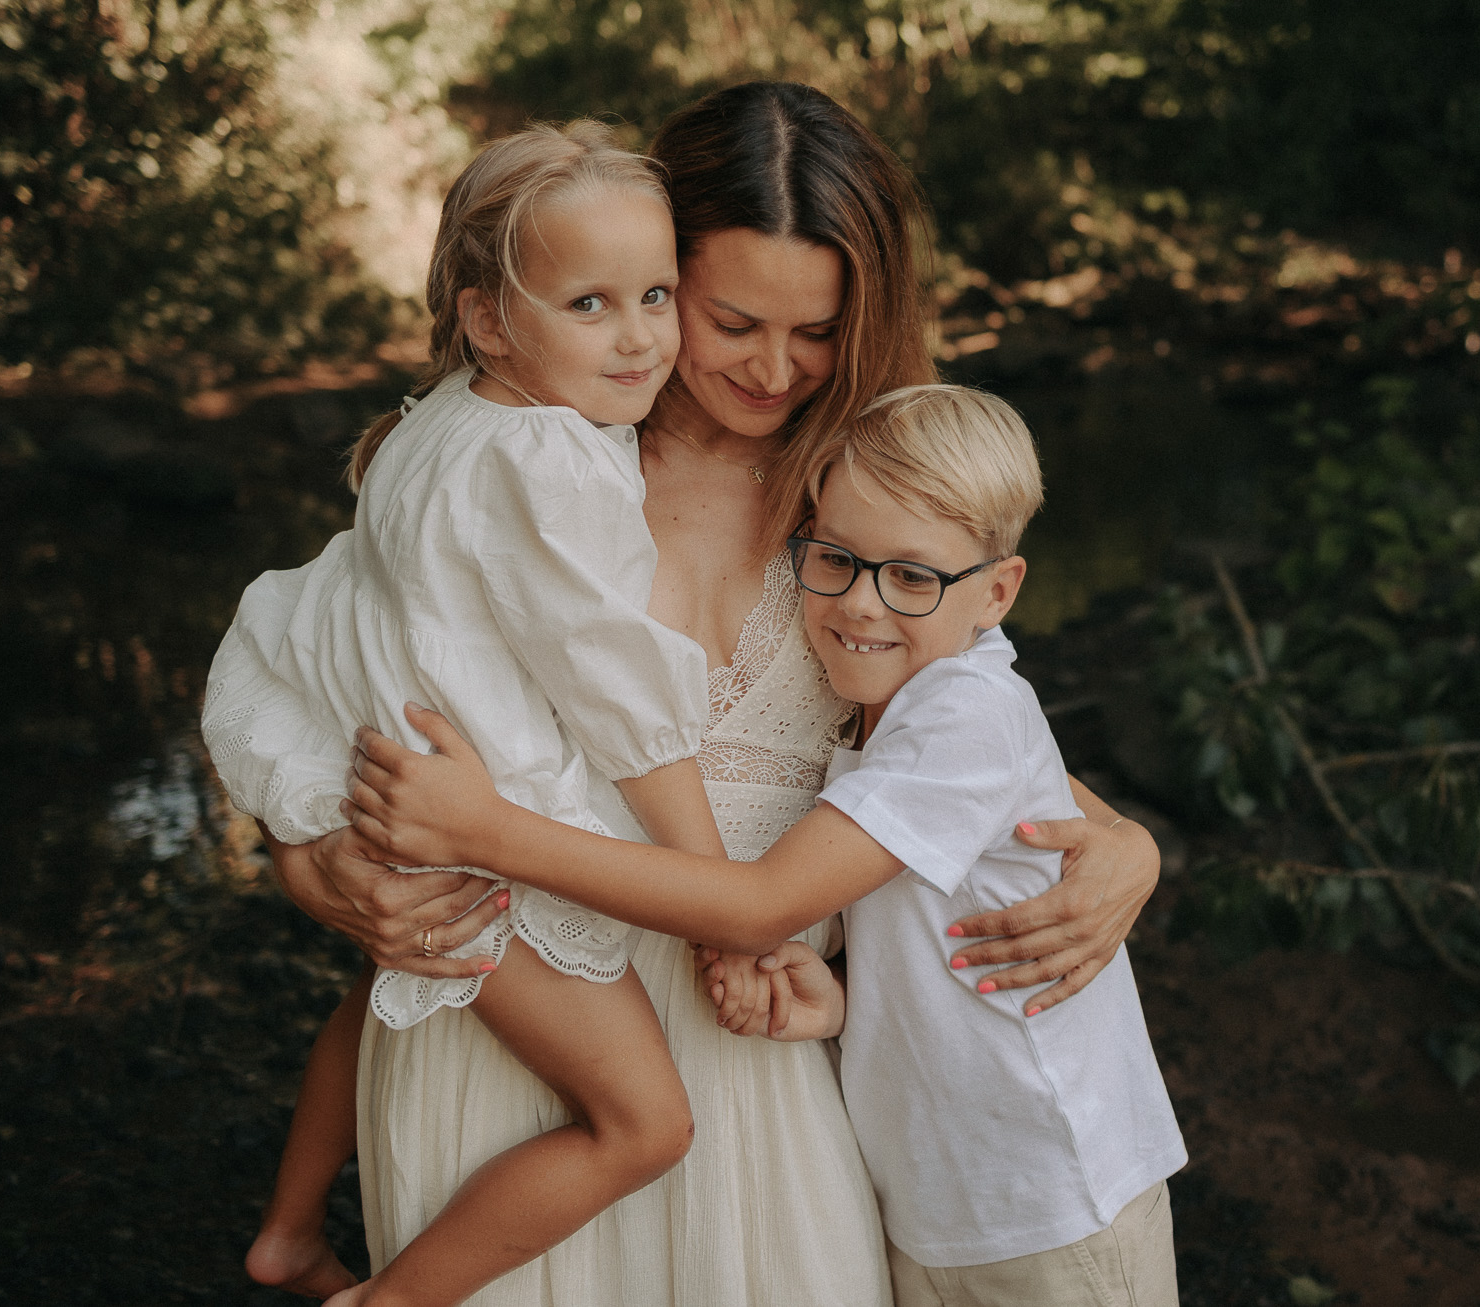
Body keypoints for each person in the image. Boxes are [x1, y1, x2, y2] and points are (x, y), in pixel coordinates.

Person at [208, 81, 1163, 1307]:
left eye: (817, 330)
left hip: (755, 1038)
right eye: (731, 318)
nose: (773, 368)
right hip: (519, 1034)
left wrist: (1123, 838)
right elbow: (308, 663)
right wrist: (312, 862)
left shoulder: (866, 490)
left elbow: (950, 727)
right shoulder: (528, 460)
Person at [339, 384, 1187, 1307]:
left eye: (912, 578)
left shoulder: (966, 716)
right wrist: (847, 1002)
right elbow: (941, 929)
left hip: (1052, 1197)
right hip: (946, 1197)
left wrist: (487, 833)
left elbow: (759, 905)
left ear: (999, 590)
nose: (861, 604)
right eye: (836, 559)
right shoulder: (902, 703)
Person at [204, 122, 720, 1305]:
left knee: (377, 988)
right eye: (589, 304)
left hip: (393, 775)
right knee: (644, 1122)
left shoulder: (440, 419)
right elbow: (618, 692)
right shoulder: (550, 460)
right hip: (484, 845)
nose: (639, 335)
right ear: (489, 320)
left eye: (656, 294)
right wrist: (716, 899)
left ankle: (287, 1232)